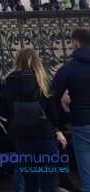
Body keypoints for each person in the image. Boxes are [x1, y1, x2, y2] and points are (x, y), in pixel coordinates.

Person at [0, 48, 65, 192]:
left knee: (29, 182)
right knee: (48, 182)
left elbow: (3, 111)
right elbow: (53, 113)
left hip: (22, 137)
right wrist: (57, 130)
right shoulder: (44, 80)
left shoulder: (5, 82)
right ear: (37, 61)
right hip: (45, 136)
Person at [52, 28, 90, 190]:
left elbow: (52, 98)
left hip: (82, 122)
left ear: (75, 43)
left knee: (87, 171)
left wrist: (65, 119)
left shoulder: (67, 69)